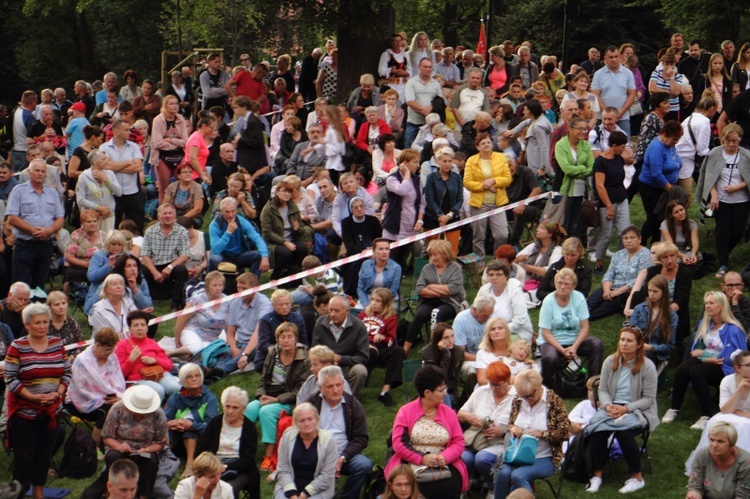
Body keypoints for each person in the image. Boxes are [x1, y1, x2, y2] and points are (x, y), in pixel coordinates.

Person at [4, 303, 71, 499]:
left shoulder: (57, 344)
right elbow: (10, 378)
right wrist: (32, 397)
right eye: (37, 323)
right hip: (24, 412)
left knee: (44, 453)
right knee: (24, 457)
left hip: (52, 410)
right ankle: (20, 493)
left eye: (45, 322)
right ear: (27, 325)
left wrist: (58, 393)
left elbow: (67, 372)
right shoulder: (17, 347)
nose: (42, 326)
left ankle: (39, 493)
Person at [584, 327, 658, 494]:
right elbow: (602, 389)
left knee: (624, 433)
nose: (624, 343)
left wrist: (626, 409)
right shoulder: (610, 361)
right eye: (622, 339)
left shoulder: (648, 367)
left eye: (629, 340)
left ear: (639, 345)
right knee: (597, 431)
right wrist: (607, 405)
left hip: (638, 410)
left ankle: (637, 478)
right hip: (612, 407)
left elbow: (649, 399)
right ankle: (597, 476)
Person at [663, 291, 747, 430]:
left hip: (724, 368)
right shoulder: (704, 324)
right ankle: (674, 408)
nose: (707, 306)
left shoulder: (734, 330)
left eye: (711, 303)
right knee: (682, 369)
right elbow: (695, 352)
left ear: (721, 306)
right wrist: (707, 357)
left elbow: (735, 358)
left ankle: (705, 416)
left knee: (697, 371)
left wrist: (704, 355)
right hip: (707, 362)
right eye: (706, 303)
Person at [386, 365, 468, 498]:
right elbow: (399, 443)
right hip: (411, 463)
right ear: (427, 393)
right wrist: (422, 458)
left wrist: (445, 457)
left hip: (444, 463)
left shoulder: (449, 413)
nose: (445, 393)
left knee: (452, 484)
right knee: (413, 486)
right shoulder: (406, 412)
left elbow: (458, 441)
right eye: (441, 390)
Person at [493, 369, 569, 498]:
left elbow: (564, 433)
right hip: (517, 454)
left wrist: (541, 434)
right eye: (523, 396)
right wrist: (512, 428)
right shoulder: (518, 399)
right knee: (503, 473)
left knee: (519, 475)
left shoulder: (554, 402)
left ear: (539, 387)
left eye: (529, 396)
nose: (527, 400)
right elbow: (510, 423)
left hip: (544, 457)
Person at [82, 385, 167, 499]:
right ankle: (112, 492)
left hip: (144, 449)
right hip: (119, 447)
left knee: (150, 461)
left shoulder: (158, 414)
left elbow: (160, 443)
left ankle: (143, 495)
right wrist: (119, 445)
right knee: (114, 457)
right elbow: (107, 437)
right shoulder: (117, 409)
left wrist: (145, 449)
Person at [244, 322, 309, 471]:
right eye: (282, 337)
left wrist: (277, 400)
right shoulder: (273, 352)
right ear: (277, 340)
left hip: (290, 399)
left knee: (266, 412)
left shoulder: (304, 358)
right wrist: (261, 395)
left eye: (289, 337)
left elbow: (300, 390)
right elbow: (263, 380)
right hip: (269, 395)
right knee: (251, 408)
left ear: (295, 339)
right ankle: (245, 450)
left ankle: (268, 458)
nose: (286, 340)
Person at [696, 123, 750, 278]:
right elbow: (709, 176)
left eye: (734, 141)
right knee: (722, 231)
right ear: (723, 139)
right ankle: (724, 263)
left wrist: (738, 186)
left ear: (740, 139)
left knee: (738, 232)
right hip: (721, 200)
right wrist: (714, 194)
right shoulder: (715, 154)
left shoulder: (746, 155)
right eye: (727, 141)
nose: (731, 144)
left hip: (741, 200)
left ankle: (724, 253)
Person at [538, 268, 604, 388]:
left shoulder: (579, 298)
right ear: (555, 283)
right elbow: (546, 332)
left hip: (574, 340)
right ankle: (547, 386)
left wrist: (574, 347)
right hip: (552, 341)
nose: (562, 287)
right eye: (559, 283)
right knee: (550, 357)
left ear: (573, 286)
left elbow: (585, 328)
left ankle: (593, 384)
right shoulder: (548, 301)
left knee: (596, 343)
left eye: (566, 284)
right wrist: (562, 350)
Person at [5, 159, 64, 289]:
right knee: (21, 285)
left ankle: (38, 308)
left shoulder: (52, 193)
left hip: (46, 245)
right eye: (37, 170)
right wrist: (34, 231)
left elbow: (60, 218)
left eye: (43, 171)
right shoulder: (18, 191)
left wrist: (49, 231)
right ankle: (20, 309)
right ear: (29, 172)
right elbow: (12, 218)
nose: (40, 173)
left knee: (39, 285)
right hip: (25, 245)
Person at [457, 361, 514, 491]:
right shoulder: (481, 391)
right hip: (476, 440)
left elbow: (522, 427)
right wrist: (468, 417)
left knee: (482, 458)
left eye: (498, 385)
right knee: (464, 457)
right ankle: (472, 480)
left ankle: (493, 486)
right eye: (491, 383)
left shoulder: (517, 397)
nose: (494, 388)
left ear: (508, 380)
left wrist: (503, 432)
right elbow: (460, 414)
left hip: (501, 443)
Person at [196, 386, 260, 499]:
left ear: (243, 409)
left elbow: (248, 460)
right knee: (197, 484)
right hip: (212, 465)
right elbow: (200, 449)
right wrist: (211, 466)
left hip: (239, 468)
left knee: (229, 488)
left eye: (235, 408)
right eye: (227, 406)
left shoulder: (249, 428)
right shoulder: (215, 422)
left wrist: (225, 466)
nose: (230, 411)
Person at [403, 239, 465, 355]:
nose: (433, 258)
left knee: (436, 313)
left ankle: (435, 349)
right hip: (429, 301)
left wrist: (431, 286)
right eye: (431, 255)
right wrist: (442, 292)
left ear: (444, 253)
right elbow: (420, 289)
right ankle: (404, 350)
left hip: (450, 303)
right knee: (419, 315)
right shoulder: (427, 268)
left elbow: (452, 289)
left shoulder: (455, 267)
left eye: (436, 254)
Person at [66, 327, 125, 447]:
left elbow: (118, 381)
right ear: (97, 345)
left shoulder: (112, 357)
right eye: (107, 349)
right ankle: (95, 445)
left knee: (123, 405)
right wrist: (103, 399)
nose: (110, 352)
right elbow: (80, 389)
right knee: (107, 411)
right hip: (81, 400)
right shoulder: (82, 361)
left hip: (108, 397)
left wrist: (117, 396)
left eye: (112, 349)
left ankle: (118, 439)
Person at [626, 241, 692, 345]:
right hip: (652, 307)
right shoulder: (652, 271)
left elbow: (681, 299)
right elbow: (646, 295)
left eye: (672, 256)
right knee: (637, 296)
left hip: (674, 311)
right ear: (660, 258)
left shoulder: (684, 274)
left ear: (676, 256)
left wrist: (662, 314)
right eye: (665, 257)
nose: (669, 260)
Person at [273, 402, 338, 499]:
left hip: (318, 490)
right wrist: (292, 495)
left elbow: (327, 475)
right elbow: (283, 469)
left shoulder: (329, 441)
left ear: (317, 420)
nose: (306, 424)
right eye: (301, 420)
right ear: (295, 423)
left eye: (310, 419)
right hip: (288, 487)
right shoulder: (287, 438)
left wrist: (304, 495)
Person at [165, 363, 219, 478]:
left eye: (197, 375)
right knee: (171, 431)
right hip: (177, 439)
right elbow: (164, 421)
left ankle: (190, 466)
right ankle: (162, 458)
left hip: (201, 441)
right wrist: (170, 424)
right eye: (190, 376)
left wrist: (191, 425)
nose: (194, 379)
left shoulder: (209, 399)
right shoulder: (175, 398)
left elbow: (212, 428)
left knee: (189, 432)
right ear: (183, 380)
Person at [464, 133, 512, 258]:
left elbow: (507, 178)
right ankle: (479, 263)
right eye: (483, 143)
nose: (486, 145)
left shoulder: (501, 158)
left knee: (502, 235)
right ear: (477, 147)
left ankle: (499, 260)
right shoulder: (471, 160)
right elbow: (467, 182)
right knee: (479, 236)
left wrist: (494, 182)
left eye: (488, 142)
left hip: (498, 202)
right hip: (479, 204)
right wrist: (483, 186)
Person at [588, 226, 652, 321]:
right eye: (625, 238)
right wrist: (606, 290)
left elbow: (641, 279)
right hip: (612, 286)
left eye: (632, 237)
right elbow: (609, 274)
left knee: (605, 307)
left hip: (628, 291)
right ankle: (582, 314)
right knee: (592, 301)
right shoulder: (618, 254)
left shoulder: (646, 254)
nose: (628, 241)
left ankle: (586, 318)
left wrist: (618, 292)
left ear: (639, 239)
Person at [115, 310, 181, 401]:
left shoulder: (152, 343)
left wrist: (155, 360)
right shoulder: (122, 345)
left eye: (143, 325)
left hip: (158, 374)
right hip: (138, 379)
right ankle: (154, 411)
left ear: (147, 328)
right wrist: (131, 360)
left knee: (175, 387)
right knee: (159, 390)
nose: (139, 328)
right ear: (129, 329)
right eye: (135, 325)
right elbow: (120, 375)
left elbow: (169, 365)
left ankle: (170, 409)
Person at [311, 295, 369, 396]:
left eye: (337, 311)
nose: (332, 314)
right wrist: (326, 361)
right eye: (330, 310)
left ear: (347, 311)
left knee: (360, 370)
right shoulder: (320, 322)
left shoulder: (359, 326)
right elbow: (315, 349)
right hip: (324, 365)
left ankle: (349, 400)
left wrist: (340, 359)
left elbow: (363, 357)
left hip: (347, 366)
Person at [638, 120, 684, 245]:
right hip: (651, 187)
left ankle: (656, 245)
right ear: (664, 134)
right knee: (654, 218)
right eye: (674, 139)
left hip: (664, 187)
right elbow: (656, 173)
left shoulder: (670, 145)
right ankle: (640, 244)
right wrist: (672, 190)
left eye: (677, 139)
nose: (676, 142)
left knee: (663, 218)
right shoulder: (656, 148)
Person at [593, 130, 631, 274]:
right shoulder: (601, 162)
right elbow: (599, 186)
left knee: (624, 232)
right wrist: (609, 206)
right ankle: (599, 262)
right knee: (606, 234)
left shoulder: (619, 159)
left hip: (621, 198)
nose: (624, 149)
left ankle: (620, 261)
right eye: (622, 147)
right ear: (614, 146)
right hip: (607, 202)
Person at [358, 288, 403, 406]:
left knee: (398, 351)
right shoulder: (363, 315)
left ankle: (385, 392)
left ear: (386, 303)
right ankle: (358, 390)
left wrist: (384, 338)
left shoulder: (391, 318)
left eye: (378, 301)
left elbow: (391, 341)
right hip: (363, 347)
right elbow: (354, 334)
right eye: (372, 299)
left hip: (380, 348)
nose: (374, 303)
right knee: (371, 352)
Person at [171, 271, 230, 359]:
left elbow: (229, 325)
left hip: (213, 337)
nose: (218, 288)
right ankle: (170, 354)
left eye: (220, 285)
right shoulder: (198, 299)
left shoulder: (227, 301)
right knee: (196, 348)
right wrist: (177, 340)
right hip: (192, 331)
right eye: (214, 285)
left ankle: (188, 355)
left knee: (217, 351)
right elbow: (181, 319)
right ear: (207, 286)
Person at [141, 203, 189, 311]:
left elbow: (185, 255)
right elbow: (145, 255)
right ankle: (145, 303)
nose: (167, 216)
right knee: (142, 270)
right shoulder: (150, 231)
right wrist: (154, 272)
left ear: (174, 216)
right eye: (165, 213)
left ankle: (176, 304)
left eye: (170, 213)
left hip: (172, 264)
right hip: (154, 265)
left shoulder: (182, 231)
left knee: (181, 270)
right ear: (158, 217)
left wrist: (170, 267)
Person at [382, 149, 425, 268]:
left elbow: (422, 202)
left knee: (401, 261)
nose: (418, 165)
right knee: (391, 261)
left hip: (410, 226)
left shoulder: (417, 180)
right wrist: (406, 174)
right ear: (405, 163)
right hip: (395, 227)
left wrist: (420, 220)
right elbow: (402, 190)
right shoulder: (392, 179)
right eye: (415, 162)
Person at [100, 119, 145, 234]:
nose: (129, 132)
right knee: (112, 226)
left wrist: (114, 166)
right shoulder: (104, 148)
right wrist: (127, 163)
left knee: (137, 225)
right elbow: (105, 167)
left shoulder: (134, 147)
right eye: (126, 130)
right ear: (116, 131)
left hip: (133, 192)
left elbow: (137, 168)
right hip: (112, 193)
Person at [260, 178, 309, 281]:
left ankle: (294, 273)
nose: (287, 194)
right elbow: (267, 233)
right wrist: (284, 242)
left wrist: (297, 228)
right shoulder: (268, 209)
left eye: (289, 192)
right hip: (273, 243)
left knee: (302, 248)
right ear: (277, 192)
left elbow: (301, 229)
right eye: (284, 191)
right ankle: (274, 277)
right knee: (285, 252)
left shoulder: (293, 208)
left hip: (291, 240)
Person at [686, 422, 750, 498]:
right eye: (712, 440)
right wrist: (693, 496)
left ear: (732, 443)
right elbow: (695, 486)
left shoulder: (745, 462)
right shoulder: (702, 455)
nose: (714, 445)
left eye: (720, 441)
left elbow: (742, 495)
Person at [208, 197, 269, 277]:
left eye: (233, 211)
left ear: (236, 211)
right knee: (214, 259)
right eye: (227, 212)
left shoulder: (241, 221)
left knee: (258, 255)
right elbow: (215, 250)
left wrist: (264, 256)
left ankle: (251, 283)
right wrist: (228, 232)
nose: (230, 215)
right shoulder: (214, 225)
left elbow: (257, 238)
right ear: (221, 211)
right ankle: (211, 282)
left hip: (238, 255)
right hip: (222, 255)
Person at [476, 260, 533, 342]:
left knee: (499, 343)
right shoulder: (484, 290)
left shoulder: (515, 291)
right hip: (488, 331)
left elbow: (519, 321)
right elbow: (476, 313)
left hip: (514, 332)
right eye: (491, 275)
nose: (494, 278)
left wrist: (498, 332)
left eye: (498, 274)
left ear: (506, 276)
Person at [629, 275, 678, 366]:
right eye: (649, 290)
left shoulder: (672, 316)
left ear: (663, 292)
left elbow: (669, 347)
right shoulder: (640, 308)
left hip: (655, 353)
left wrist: (650, 347)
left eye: (655, 291)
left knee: (641, 361)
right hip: (636, 347)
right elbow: (631, 332)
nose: (651, 294)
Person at [149, 95, 189, 202]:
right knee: (164, 191)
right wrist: (177, 143)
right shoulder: (158, 120)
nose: (174, 106)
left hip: (179, 156)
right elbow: (157, 143)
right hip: (163, 157)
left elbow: (186, 141)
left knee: (184, 185)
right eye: (171, 104)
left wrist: (171, 140)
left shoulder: (181, 119)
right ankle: (162, 214)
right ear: (165, 106)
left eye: (176, 103)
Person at [590, 46, 637, 136]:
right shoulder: (598, 74)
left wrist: (621, 112)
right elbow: (595, 95)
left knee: (624, 146)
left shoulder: (628, 73)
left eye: (616, 56)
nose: (614, 59)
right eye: (611, 57)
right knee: (602, 146)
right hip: (602, 118)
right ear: (605, 59)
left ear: (620, 57)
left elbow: (632, 94)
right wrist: (608, 114)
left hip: (622, 117)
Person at [76, 150, 122, 232]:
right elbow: (80, 200)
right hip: (92, 219)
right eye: (103, 159)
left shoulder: (109, 174)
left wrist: (106, 179)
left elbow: (119, 193)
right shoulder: (84, 177)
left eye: (106, 159)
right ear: (94, 161)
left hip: (108, 216)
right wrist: (99, 208)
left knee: (107, 241)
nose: (106, 161)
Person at [420, 323, 464, 407]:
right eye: (446, 338)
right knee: (441, 392)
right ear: (438, 340)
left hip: (450, 390)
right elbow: (438, 379)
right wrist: (446, 354)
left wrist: (445, 388)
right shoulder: (427, 353)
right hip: (432, 390)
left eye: (452, 336)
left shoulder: (459, 352)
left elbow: (455, 380)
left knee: (444, 392)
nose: (451, 340)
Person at [537, 237, 592, 302]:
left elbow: (583, 293)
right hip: (553, 301)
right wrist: (556, 297)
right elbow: (540, 292)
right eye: (567, 254)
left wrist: (564, 297)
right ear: (563, 253)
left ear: (579, 254)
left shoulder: (585, 270)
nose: (569, 258)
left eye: (573, 255)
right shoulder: (554, 267)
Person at [404, 57, 442, 148]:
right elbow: (409, 101)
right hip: (414, 121)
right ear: (419, 67)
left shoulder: (435, 83)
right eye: (425, 67)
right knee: (409, 145)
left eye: (429, 67)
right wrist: (423, 111)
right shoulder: (411, 82)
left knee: (429, 147)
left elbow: (440, 100)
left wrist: (430, 108)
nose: (427, 69)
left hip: (431, 124)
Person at [63, 208, 106, 286]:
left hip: (98, 267)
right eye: (89, 221)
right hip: (79, 267)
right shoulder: (76, 235)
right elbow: (68, 256)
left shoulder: (104, 236)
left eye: (94, 221)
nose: (92, 224)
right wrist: (85, 264)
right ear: (82, 223)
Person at [356, 238, 402, 308]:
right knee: (357, 314)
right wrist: (367, 305)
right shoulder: (365, 265)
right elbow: (360, 288)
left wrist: (377, 305)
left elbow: (392, 292)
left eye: (387, 249)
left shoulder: (396, 268)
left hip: (387, 300)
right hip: (368, 298)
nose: (384, 252)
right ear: (374, 251)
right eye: (381, 249)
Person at [661, 200, 701, 268]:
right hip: (668, 251)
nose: (680, 213)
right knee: (675, 260)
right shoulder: (665, 224)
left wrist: (693, 254)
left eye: (681, 210)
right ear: (671, 215)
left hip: (683, 250)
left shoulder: (692, 224)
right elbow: (670, 245)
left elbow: (695, 242)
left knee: (698, 255)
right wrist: (682, 256)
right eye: (676, 212)